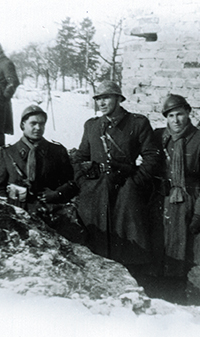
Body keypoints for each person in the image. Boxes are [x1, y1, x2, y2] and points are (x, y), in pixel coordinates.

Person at [73, 81, 160, 270]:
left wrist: (136, 182)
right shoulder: (92, 126)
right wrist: (83, 182)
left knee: (128, 241)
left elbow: (152, 156)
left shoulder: (137, 122)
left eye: (106, 98)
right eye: (98, 99)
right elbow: (80, 157)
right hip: (96, 190)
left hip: (125, 189)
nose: (101, 103)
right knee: (96, 242)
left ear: (119, 99)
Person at [151, 94, 200, 302]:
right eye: (170, 115)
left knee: (188, 251)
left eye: (179, 114)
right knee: (162, 248)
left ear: (188, 113)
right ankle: (161, 292)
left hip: (190, 201)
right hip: (164, 200)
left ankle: (185, 295)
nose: (176, 120)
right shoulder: (159, 137)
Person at [0, 105, 77, 211]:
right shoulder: (8, 152)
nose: (38, 128)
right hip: (19, 214)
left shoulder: (57, 151)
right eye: (33, 123)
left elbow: (72, 183)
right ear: (23, 125)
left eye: (41, 124)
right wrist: (11, 208)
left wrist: (57, 194)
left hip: (50, 211)